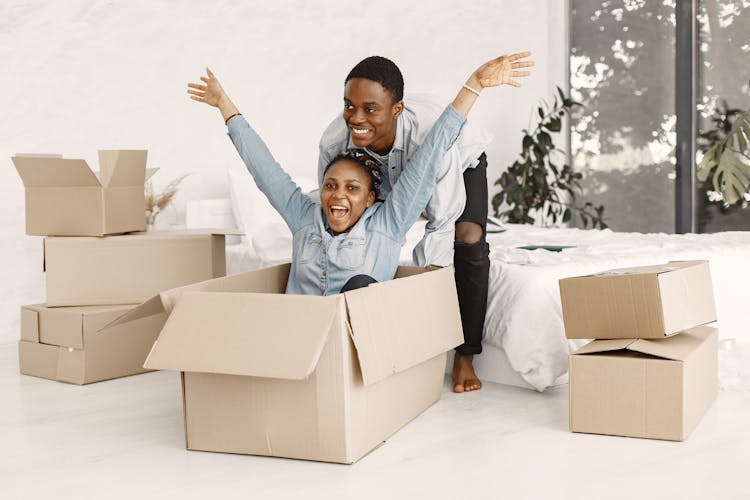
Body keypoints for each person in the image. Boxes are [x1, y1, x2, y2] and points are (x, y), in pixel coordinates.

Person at [186, 51, 533, 303]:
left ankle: (465, 355)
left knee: (362, 284)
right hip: (300, 333)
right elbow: (264, 170)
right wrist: (225, 106)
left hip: (356, 337)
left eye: (352, 188)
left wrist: (473, 85)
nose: (338, 196)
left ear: (371, 198)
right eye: (331, 186)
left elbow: (432, 153)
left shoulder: (388, 222)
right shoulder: (303, 217)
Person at [318, 54, 532, 393]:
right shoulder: (335, 142)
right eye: (348, 106)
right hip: (382, 178)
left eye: (370, 109)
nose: (355, 118)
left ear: (396, 110)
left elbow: (442, 222)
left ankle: (465, 354)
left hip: (459, 161)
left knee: (468, 236)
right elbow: (332, 214)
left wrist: (426, 294)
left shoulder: (431, 135)